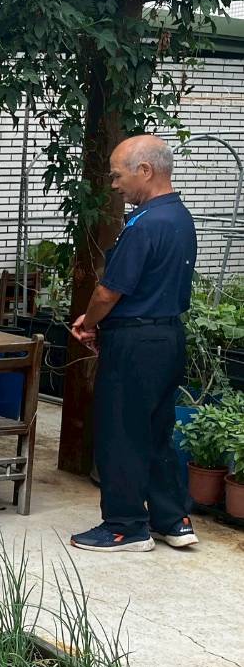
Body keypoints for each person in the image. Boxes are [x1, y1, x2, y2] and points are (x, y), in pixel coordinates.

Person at [69, 134, 199, 553]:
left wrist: (88, 322)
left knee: (122, 432)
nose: (113, 184)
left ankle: (126, 526)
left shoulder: (145, 224)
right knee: (157, 431)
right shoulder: (180, 217)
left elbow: (109, 292)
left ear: (145, 170)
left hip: (135, 341)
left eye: (117, 175)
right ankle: (173, 520)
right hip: (168, 337)